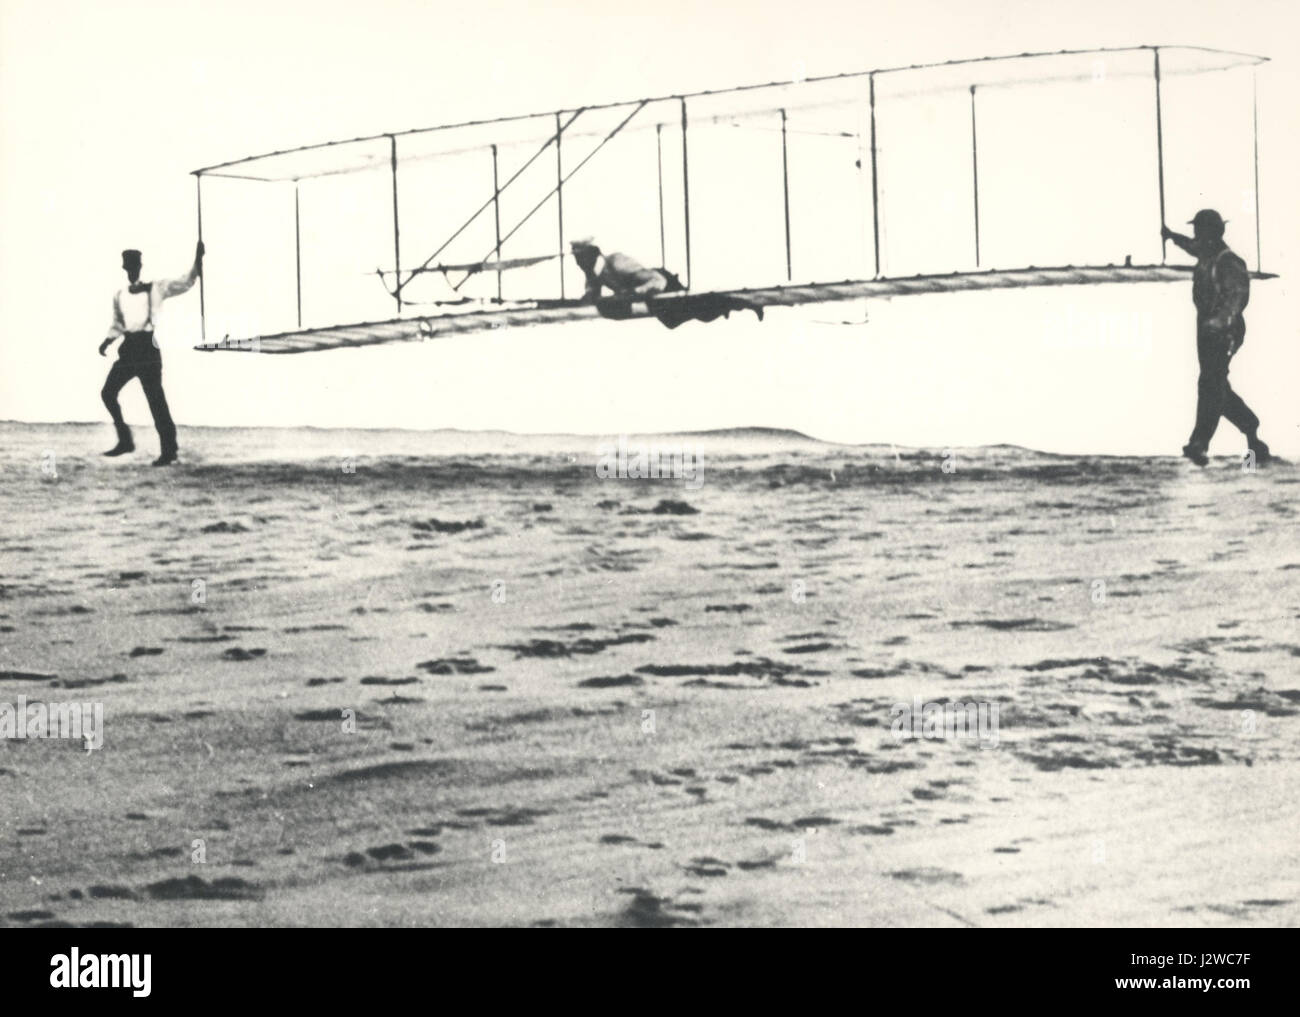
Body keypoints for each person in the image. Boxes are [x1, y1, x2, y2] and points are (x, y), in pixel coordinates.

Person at [1162, 210, 1270, 467]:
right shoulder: (1206, 252)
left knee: (1210, 383)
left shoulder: (1227, 260)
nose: (1196, 235)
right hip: (1207, 328)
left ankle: (1199, 443)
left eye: (1199, 230)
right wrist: (1171, 236)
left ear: (1212, 233)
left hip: (1224, 330)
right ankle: (1251, 430)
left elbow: (1236, 299)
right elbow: (1191, 247)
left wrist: (1218, 324)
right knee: (1217, 384)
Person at [99, 242, 204, 465]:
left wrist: (197, 260)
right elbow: (118, 324)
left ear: (140, 266)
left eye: (134, 267)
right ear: (125, 269)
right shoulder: (120, 296)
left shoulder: (156, 288)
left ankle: (169, 450)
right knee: (108, 392)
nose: (131, 271)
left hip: (148, 349)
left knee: (156, 400)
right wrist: (107, 342)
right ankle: (125, 441)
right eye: (128, 268)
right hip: (128, 350)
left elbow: (186, 282)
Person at [570, 238, 762, 328]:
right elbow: (592, 295)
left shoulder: (617, 263)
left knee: (700, 311)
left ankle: (741, 303)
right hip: (650, 294)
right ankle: (728, 306)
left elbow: (657, 280)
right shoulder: (594, 272)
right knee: (674, 319)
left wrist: (632, 293)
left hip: (663, 285)